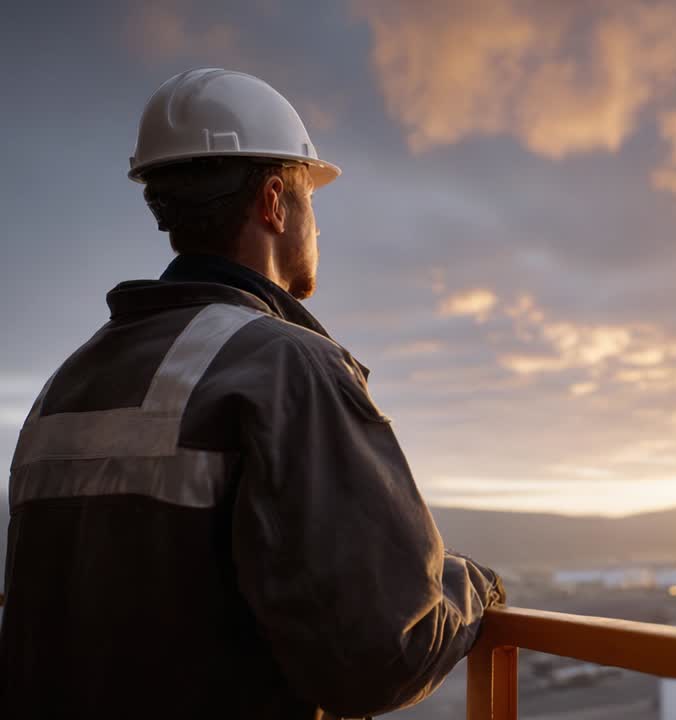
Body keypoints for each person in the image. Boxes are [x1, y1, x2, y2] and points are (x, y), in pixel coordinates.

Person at [0, 68, 504, 719]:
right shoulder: (286, 368)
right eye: (310, 200)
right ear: (273, 203)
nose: (317, 227)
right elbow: (383, 654)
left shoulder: (67, 381)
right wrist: (472, 587)